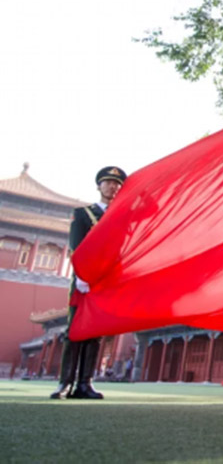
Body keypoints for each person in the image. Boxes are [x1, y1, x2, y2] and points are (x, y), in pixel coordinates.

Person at [50, 166, 126, 399]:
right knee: (74, 330)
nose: (112, 187)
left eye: (117, 184)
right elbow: (76, 246)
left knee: (95, 332)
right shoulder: (83, 214)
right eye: (108, 182)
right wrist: (81, 275)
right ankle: (65, 383)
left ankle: (85, 383)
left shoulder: (121, 216)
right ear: (99, 186)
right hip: (84, 280)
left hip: (106, 282)